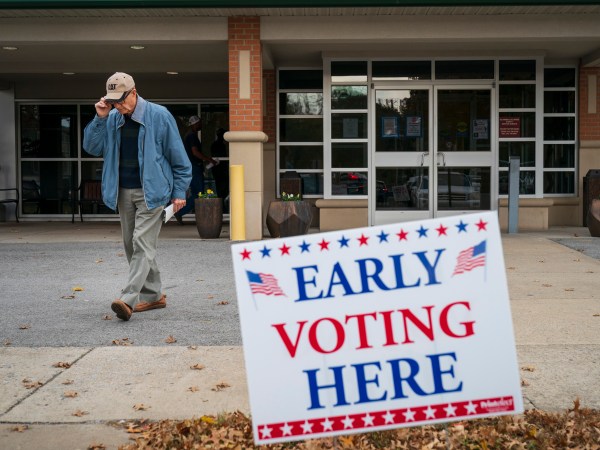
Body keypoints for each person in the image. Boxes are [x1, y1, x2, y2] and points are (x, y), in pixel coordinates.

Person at [83, 72, 191, 321]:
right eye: (113, 102)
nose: (117, 106)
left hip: (152, 192)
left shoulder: (159, 116)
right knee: (132, 245)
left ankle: (128, 299)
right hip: (122, 192)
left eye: (121, 100)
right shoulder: (110, 118)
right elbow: (91, 147)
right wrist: (100, 117)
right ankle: (153, 296)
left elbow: (179, 159)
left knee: (142, 243)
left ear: (134, 92)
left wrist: (178, 192)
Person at [174, 115, 217, 224]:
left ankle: (185, 212)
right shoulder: (192, 136)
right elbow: (195, 152)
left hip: (193, 167)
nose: (201, 125)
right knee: (199, 195)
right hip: (193, 168)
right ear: (195, 124)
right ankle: (180, 211)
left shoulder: (189, 135)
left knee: (197, 194)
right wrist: (207, 159)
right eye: (200, 123)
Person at [210, 128, 229, 202]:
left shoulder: (218, 144)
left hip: (220, 170)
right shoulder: (217, 145)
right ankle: (222, 208)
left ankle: (223, 207)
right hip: (220, 171)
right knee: (222, 189)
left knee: (222, 189)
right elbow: (219, 157)